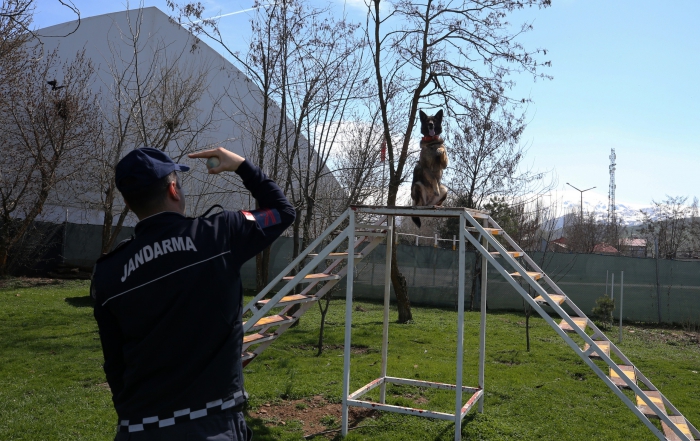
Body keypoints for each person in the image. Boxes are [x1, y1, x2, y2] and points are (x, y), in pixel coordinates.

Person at [91, 147, 295, 440]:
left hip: (137, 428)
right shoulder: (219, 234)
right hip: (211, 425)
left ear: (127, 201)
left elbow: (114, 361)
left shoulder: (107, 272)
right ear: (174, 189)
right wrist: (241, 166)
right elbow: (281, 211)